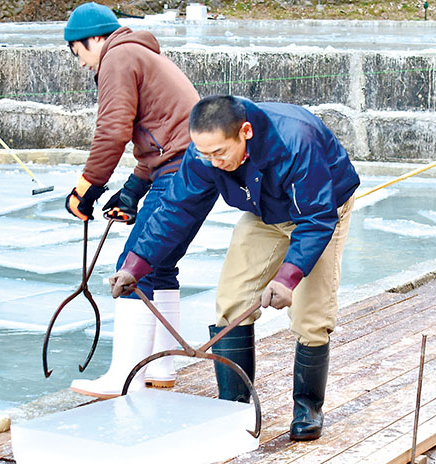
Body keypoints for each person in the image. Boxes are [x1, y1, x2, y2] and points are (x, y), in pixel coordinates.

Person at [110, 95, 360, 441]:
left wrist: (287, 277)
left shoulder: (295, 140)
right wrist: (136, 263)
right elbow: (177, 208)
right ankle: (234, 407)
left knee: (310, 315)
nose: (213, 162)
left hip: (321, 212)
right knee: (232, 299)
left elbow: (316, 219)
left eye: (219, 153)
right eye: (204, 154)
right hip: (265, 213)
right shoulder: (204, 154)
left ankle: (307, 408)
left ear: (245, 132)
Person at [61, 2, 200, 398]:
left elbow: (112, 130)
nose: (81, 62)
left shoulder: (118, 57)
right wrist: (133, 190)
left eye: (77, 51)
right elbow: (160, 136)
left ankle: (125, 377)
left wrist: (87, 188)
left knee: (133, 265)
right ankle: (161, 366)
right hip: (192, 166)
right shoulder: (139, 53)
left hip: (179, 169)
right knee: (160, 264)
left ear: (94, 39)